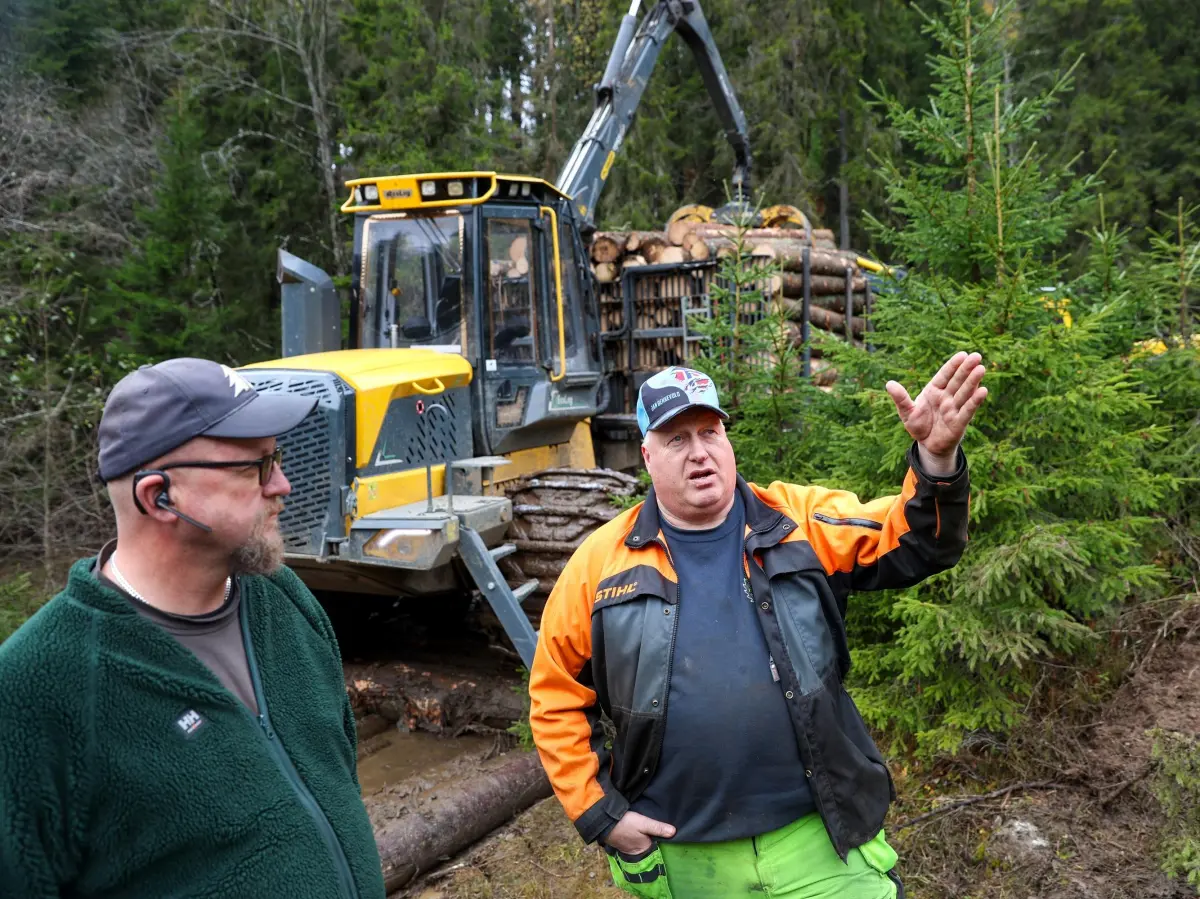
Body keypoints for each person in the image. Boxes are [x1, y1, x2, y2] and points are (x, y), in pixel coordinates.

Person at [529, 352, 988, 899]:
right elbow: (555, 696)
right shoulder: (600, 565)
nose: (699, 452)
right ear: (647, 456)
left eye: (710, 432)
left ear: (727, 440)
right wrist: (602, 815)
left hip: (817, 838)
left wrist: (936, 460)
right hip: (685, 851)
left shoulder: (796, 522)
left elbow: (914, 541)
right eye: (677, 439)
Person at [0, 357, 386, 899]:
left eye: (277, 459)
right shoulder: (37, 685)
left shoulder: (285, 601)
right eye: (256, 467)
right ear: (159, 496)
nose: (284, 485)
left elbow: (336, 776)